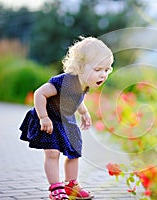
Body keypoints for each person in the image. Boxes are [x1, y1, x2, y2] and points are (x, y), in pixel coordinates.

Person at [20, 36, 114, 200]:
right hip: (49, 119)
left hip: (66, 121)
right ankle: (55, 187)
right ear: (80, 67)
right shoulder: (63, 81)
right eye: (98, 69)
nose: (103, 75)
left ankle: (71, 185)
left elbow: (74, 98)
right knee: (52, 152)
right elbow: (39, 94)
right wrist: (43, 117)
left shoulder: (84, 84)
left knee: (74, 152)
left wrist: (84, 112)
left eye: (106, 70)